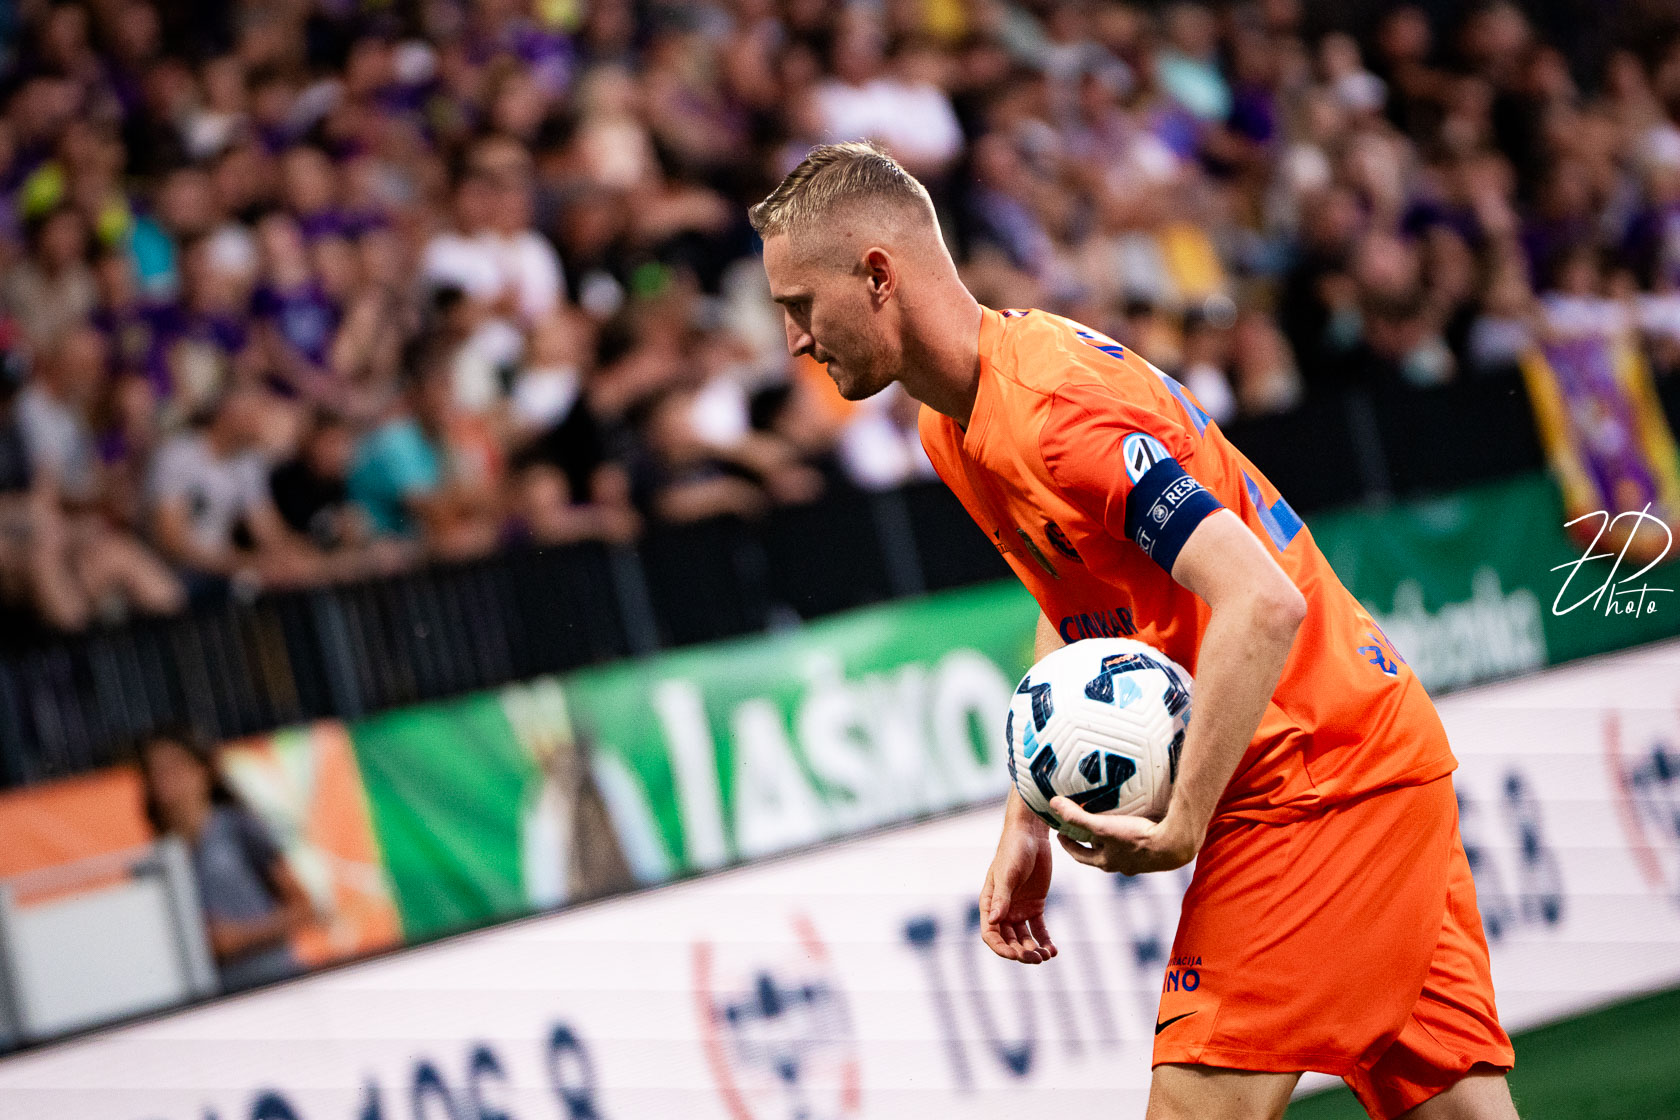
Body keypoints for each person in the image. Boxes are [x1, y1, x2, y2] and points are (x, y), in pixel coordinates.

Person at [751, 142, 1517, 1120]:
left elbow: (1262, 600)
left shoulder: (1054, 414)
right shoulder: (955, 418)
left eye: (800, 304)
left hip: (1316, 776)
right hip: (1365, 745)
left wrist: (1183, 817)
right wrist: (1026, 818)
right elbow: (1073, 594)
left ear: (876, 275)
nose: (793, 341)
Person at [138, 728, 314, 993]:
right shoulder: (156, 865)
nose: (166, 781)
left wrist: (240, 937)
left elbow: (305, 909)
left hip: (276, 987)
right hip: (213, 1002)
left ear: (203, 771)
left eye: (174, 767)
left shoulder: (238, 828)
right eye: (155, 772)